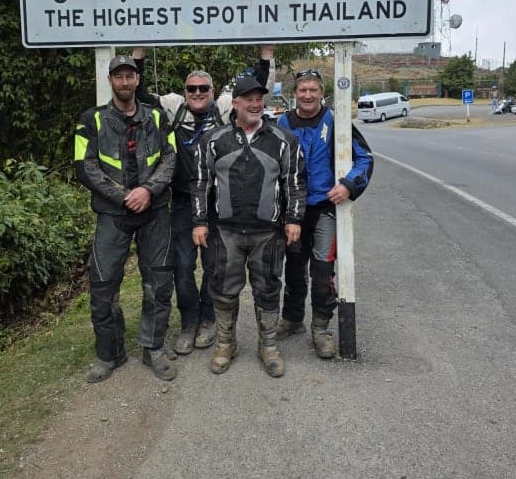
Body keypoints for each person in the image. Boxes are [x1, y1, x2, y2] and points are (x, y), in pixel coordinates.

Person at [131, 46, 274, 356]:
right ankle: (188, 322)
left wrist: (265, 55)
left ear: (212, 90)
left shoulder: (223, 108)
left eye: (203, 88)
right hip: (182, 201)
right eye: (191, 88)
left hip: (217, 203)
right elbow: (139, 93)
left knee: (214, 267)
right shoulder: (173, 108)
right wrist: (138, 54)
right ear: (185, 91)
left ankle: (208, 320)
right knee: (182, 266)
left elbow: (253, 88)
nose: (197, 93)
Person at [191, 76, 305, 378]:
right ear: (236, 103)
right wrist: (200, 221)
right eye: (248, 99)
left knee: (267, 288)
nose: (255, 104)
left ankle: (268, 346)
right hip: (225, 231)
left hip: (267, 232)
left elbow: (294, 183)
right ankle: (226, 345)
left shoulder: (283, 141)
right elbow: (201, 183)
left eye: (259, 98)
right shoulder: (214, 139)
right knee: (224, 290)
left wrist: (293, 219)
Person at [74, 55, 177, 383]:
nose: (125, 82)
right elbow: (84, 166)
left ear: (136, 79)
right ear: (110, 81)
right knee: (103, 287)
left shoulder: (158, 118)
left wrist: (148, 189)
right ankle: (110, 354)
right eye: (118, 76)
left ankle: (153, 348)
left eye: (130, 76)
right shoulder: (91, 120)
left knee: (159, 283)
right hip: (112, 215)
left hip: (155, 212)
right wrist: (123, 196)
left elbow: (171, 158)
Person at [277, 69, 374, 359]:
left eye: (313, 90)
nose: (307, 95)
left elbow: (365, 159)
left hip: (324, 211)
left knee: (321, 274)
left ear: (322, 93)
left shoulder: (336, 121)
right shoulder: (283, 121)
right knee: (293, 270)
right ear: (294, 93)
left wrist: (348, 186)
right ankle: (293, 320)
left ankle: (320, 327)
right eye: (302, 90)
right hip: (293, 211)